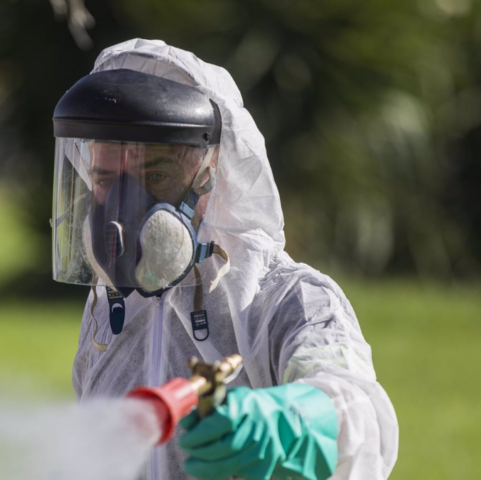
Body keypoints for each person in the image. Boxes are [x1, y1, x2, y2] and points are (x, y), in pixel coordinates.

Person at [51, 39, 398, 480]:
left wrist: (294, 424)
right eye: (104, 179)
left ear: (210, 174)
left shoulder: (287, 299)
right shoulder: (109, 310)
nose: (121, 208)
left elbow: (365, 414)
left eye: (154, 175)